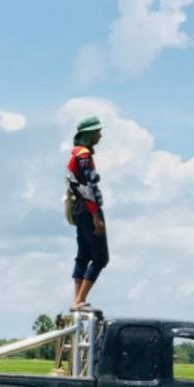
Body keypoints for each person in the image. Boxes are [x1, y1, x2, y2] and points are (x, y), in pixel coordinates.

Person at [66, 115, 108, 310]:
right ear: (89, 135)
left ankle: (77, 300)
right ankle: (80, 299)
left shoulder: (75, 153)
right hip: (87, 208)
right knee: (100, 257)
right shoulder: (84, 155)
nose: (100, 135)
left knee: (83, 254)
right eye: (97, 132)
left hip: (78, 208)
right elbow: (87, 186)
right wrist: (96, 217)